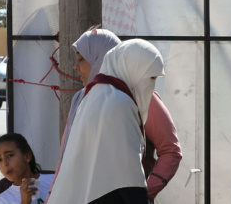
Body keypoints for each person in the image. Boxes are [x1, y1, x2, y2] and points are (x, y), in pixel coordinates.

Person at [47, 29, 182, 203]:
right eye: (151, 77)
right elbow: (128, 175)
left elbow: (169, 150)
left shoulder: (105, 97)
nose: (75, 66)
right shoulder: (116, 102)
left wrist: (149, 188)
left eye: (82, 59)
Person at [0, 133, 54, 204]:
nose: (4, 164)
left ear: (27, 156)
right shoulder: (4, 198)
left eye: (10, 155)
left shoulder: (53, 180)